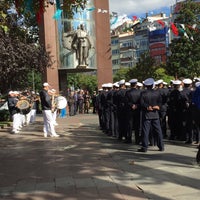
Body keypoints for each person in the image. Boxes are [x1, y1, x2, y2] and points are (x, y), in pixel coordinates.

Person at [138, 78, 164, 152]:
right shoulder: (157, 93)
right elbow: (160, 102)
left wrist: (147, 106)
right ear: (153, 85)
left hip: (147, 113)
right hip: (155, 113)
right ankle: (161, 146)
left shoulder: (143, 93)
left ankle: (144, 147)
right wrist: (157, 106)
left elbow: (141, 103)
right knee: (158, 130)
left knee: (145, 131)